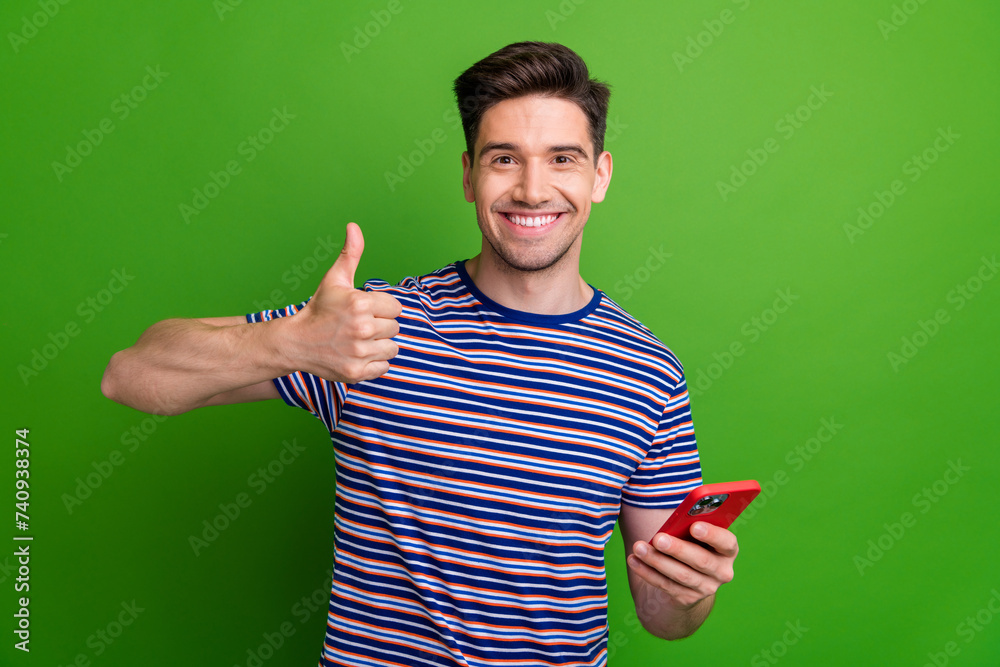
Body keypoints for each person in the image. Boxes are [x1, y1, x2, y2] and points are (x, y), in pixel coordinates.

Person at [101, 41, 741, 667]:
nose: (532, 189)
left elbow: (664, 620)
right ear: (468, 175)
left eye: (563, 159)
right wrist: (292, 340)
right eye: (503, 159)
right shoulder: (369, 326)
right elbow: (129, 375)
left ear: (599, 175)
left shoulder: (647, 369)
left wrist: (691, 591)